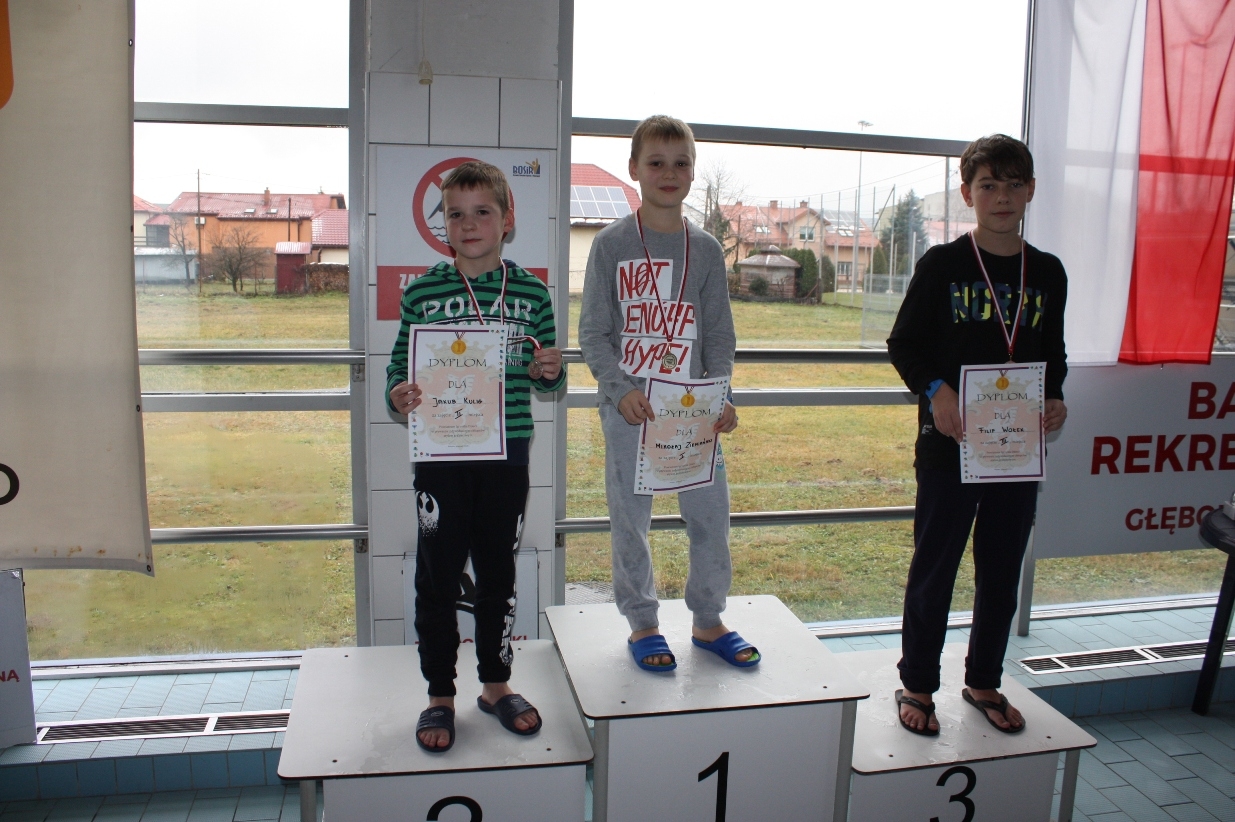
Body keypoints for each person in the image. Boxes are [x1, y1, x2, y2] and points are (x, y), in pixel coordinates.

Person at [887, 134, 1068, 735]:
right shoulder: (943, 265)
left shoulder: (1048, 272)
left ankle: (984, 679)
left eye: (1014, 184)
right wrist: (936, 390)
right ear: (967, 193)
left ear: (1031, 190)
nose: (1002, 196)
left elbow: (1053, 352)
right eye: (988, 185)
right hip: (951, 444)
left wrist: (1055, 396)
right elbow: (904, 344)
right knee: (935, 567)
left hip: (1016, 449)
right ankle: (917, 683)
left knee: (1002, 567)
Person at [387, 161, 564, 752]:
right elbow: (398, 367)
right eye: (455, 214)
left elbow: (546, 376)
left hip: (506, 454)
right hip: (440, 454)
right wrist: (398, 392)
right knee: (437, 577)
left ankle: (495, 683)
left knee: (497, 574)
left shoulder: (532, 293)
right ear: (443, 224)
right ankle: (440, 693)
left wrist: (548, 369)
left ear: (507, 220)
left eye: (482, 212)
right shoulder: (423, 291)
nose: (468, 224)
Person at [579, 114, 757, 672]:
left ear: (694, 171)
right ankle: (643, 623)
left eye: (681, 163)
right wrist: (619, 390)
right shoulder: (610, 245)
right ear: (634, 169)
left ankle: (708, 620)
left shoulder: (704, 249)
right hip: (631, 412)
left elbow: (719, 334)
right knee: (630, 521)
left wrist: (720, 393)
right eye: (656, 162)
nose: (669, 172)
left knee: (710, 517)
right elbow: (593, 333)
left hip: (693, 412)